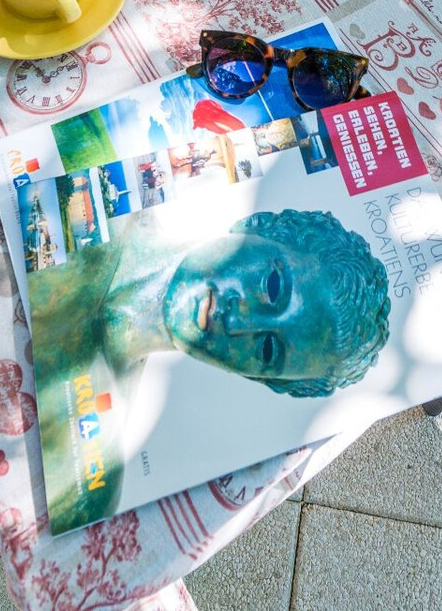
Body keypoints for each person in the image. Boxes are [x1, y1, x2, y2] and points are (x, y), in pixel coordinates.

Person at [28, 207, 391, 531]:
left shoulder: (89, 480)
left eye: (267, 349)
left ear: (254, 376)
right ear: (256, 226)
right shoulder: (98, 206)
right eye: (272, 285)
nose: (238, 322)